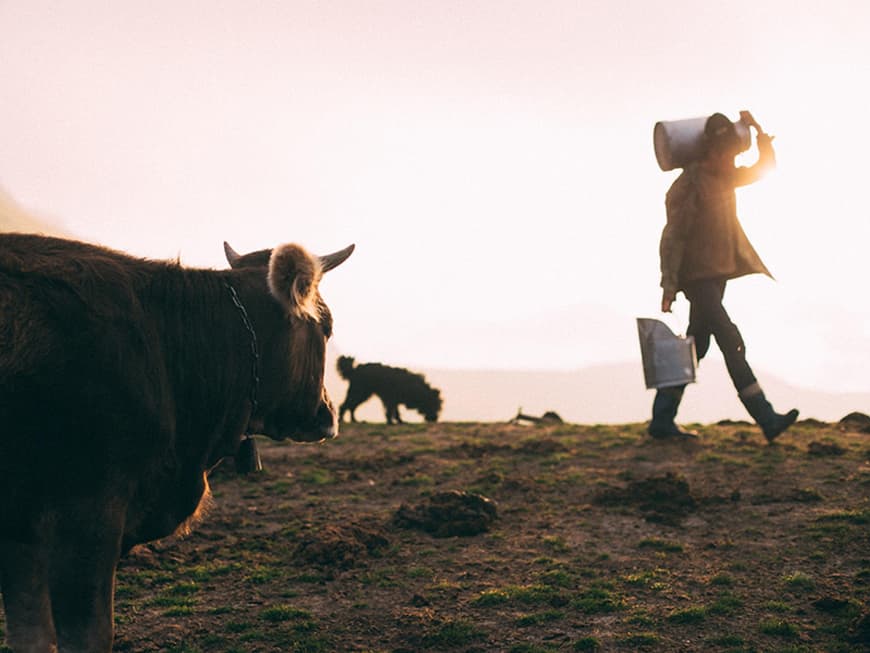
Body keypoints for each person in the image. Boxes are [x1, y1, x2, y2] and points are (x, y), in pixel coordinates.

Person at [650, 110, 799, 442]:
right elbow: (672, 238)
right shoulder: (689, 185)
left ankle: (661, 420)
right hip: (697, 279)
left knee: (697, 346)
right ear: (709, 152)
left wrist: (760, 132)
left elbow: (765, 169)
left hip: (717, 276)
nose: (730, 161)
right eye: (725, 155)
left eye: (734, 155)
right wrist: (669, 285)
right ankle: (765, 416)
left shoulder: (726, 176)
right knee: (731, 339)